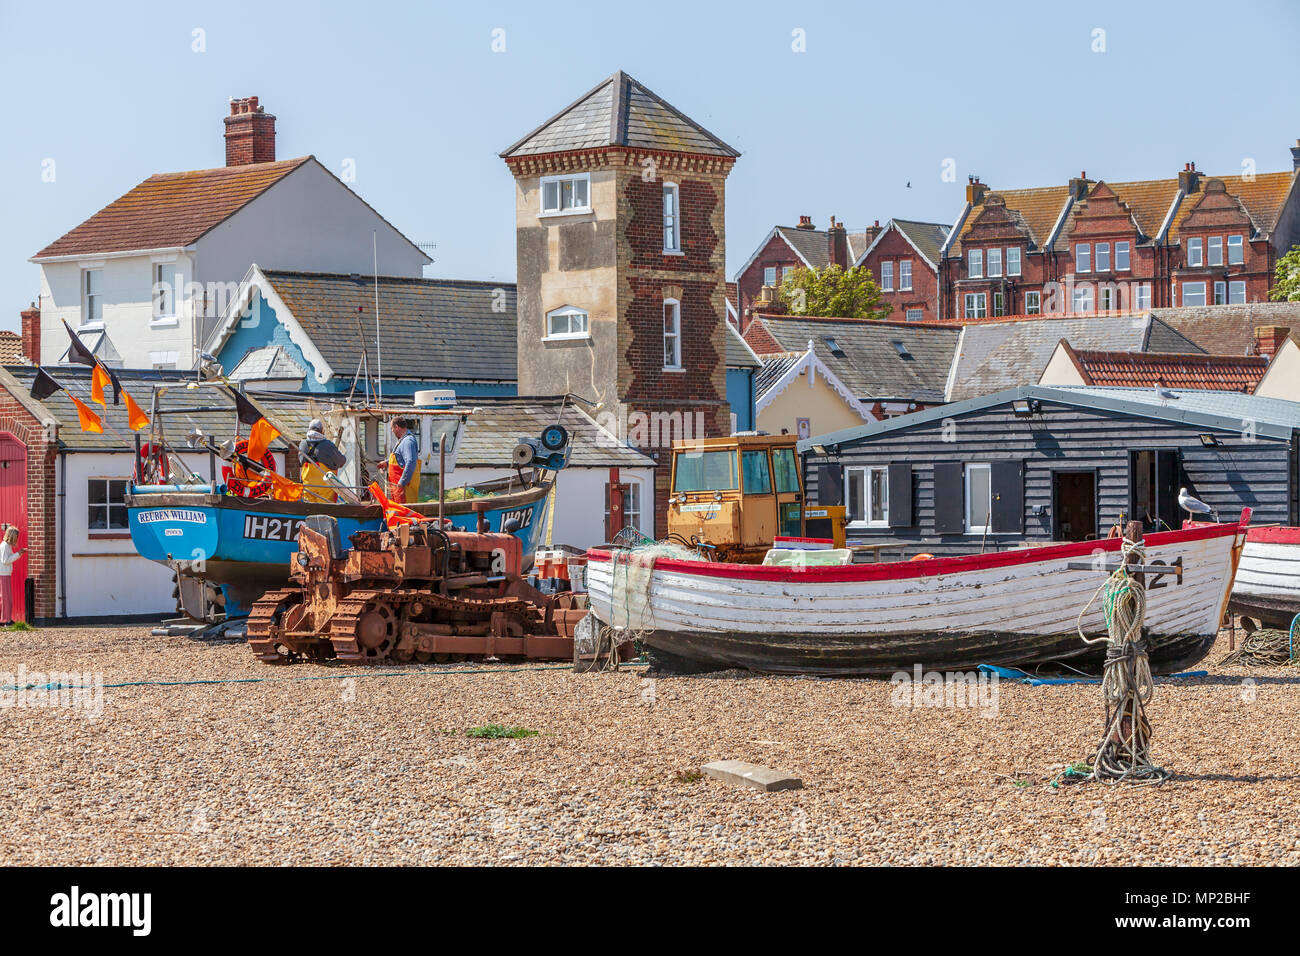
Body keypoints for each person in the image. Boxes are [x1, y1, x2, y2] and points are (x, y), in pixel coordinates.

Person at [298, 418, 348, 503]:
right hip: (325, 488)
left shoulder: (302, 445)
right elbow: (341, 461)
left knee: (309, 510)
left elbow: (300, 462)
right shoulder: (328, 445)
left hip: (308, 487)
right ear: (322, 431)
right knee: (326, 512)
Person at [387, 417, 421, 504]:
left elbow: (410, 462)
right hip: (397, 489)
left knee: (404, 512)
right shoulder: (402, 441)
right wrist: (386, 462)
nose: (392, 431)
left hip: (403, 490)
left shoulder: (408, 441)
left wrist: (402, 482)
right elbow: (400, 459)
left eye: (392, 428)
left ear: (397, 427)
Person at [0, 527, 26, 626]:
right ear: (12, 536)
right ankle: (6, 620)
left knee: (6, 598)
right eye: (16, 536)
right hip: (3, 575)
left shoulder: (6, 546)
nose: (17, 539)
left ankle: (6, 619)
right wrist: (18, 554)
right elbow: (5, 561)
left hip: (5, 574)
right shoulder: (5, 546)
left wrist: (18, 554)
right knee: (6, 598)